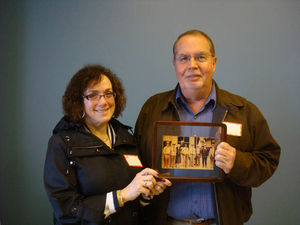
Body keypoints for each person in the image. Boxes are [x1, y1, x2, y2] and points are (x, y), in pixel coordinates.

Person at [134, 30, 280, 225]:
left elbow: (268, 159)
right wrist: (145, 183)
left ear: (214, 62)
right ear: (175, 64)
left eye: (200, 57)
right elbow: (135, 162)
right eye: (183, 58)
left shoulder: (243, 110)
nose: (192, 65)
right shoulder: (152, 109)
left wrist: (237, 162)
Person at [43, 64, 171, 225]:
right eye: (93, 95)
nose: (103, 102)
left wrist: (146, 195)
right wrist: (122, 195)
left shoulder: (127, 140)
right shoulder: (61, 144)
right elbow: (66, 209)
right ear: (78, 101)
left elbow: (135, 205)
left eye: (108, 94)